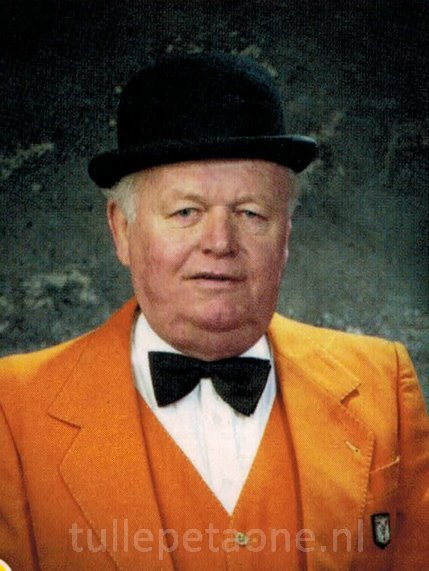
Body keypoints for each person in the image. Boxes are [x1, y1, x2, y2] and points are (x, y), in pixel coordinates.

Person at [0, 53, 428, 570]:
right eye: (186, 212)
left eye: (251, 213)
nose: (220, 242)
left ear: (286, 235)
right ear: (122, 230)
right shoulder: (13, 410)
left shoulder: (384, 384)